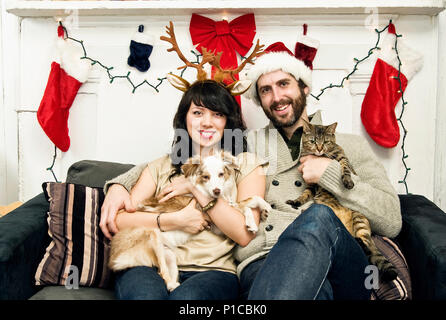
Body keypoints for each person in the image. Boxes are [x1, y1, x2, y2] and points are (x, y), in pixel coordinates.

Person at [102, 44, 402, 300]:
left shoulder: (351, 145)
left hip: (336, 258)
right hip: (262, 264)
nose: (277, 96)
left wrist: (330, 174)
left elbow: (391, 220)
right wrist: (118, 184)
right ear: (261, 102)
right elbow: (184, 160)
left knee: (319, 216)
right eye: (266, 90)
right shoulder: (249, 144)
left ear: (304, 88)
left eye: (284, 84)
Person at [103, 79, 268, 300]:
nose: (207, 122)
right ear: (185, 119)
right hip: (150, 263)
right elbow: (121, 220)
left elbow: (244, 233)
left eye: (217, 114)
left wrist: (195, 187)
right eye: (198, 113)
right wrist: (176, 220)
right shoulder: (161, 167)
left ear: (228, 122)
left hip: (213, 271)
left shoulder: (245, 164)